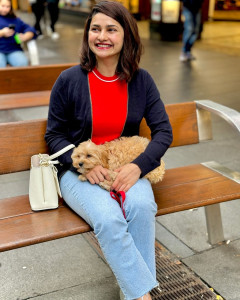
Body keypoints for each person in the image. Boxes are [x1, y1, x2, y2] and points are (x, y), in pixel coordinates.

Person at [45, 1, 173, 299]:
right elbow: (55, 135)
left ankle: (136, 292)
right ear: (87, 34)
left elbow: (163, 132)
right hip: (78, 173)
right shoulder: (69, 80)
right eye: (96, 29)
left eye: (111, 30)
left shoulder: (141, 80)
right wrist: (83, 166)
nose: (102, 36)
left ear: (126, 36)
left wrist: (138, 166)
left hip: (124, 167)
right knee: (109, 218)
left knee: (142, 208)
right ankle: (143, 295)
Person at [0, 0, 36, 67]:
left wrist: (25, 36)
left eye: (8, 6)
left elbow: (30, 29)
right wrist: (2, 33)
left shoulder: (15, 20)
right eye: (3, 6)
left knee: (22, 64)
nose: (5, 9)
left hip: (14, 49)